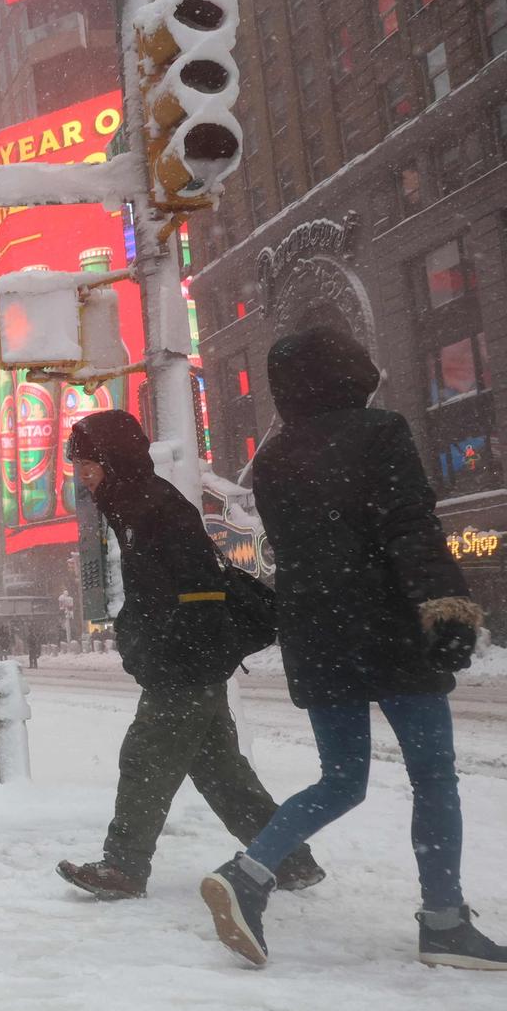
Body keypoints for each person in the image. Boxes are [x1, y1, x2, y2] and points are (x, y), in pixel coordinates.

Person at [199, 329, 506, 969]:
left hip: (318, 634)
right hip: (388, 628)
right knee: (433, 777)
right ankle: (444, 923)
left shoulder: (275, 456)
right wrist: (446, 605)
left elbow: (297, 547)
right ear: (350, 371)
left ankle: (248, 874)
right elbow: (409, 526)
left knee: (341, 779)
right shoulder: (380, 432)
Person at [54, 411, 324, 904]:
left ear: (112, 460)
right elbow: (157, 593)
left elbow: (197, 590)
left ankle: (123, 866)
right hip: (190, 660)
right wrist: (141, 634)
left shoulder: (154, 506)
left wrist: (166, 651)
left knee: (146, 758)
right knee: (222, 772)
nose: (83, 475)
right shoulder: (132, 504)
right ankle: (289, 860)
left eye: (88, 464)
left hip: (184, 665)